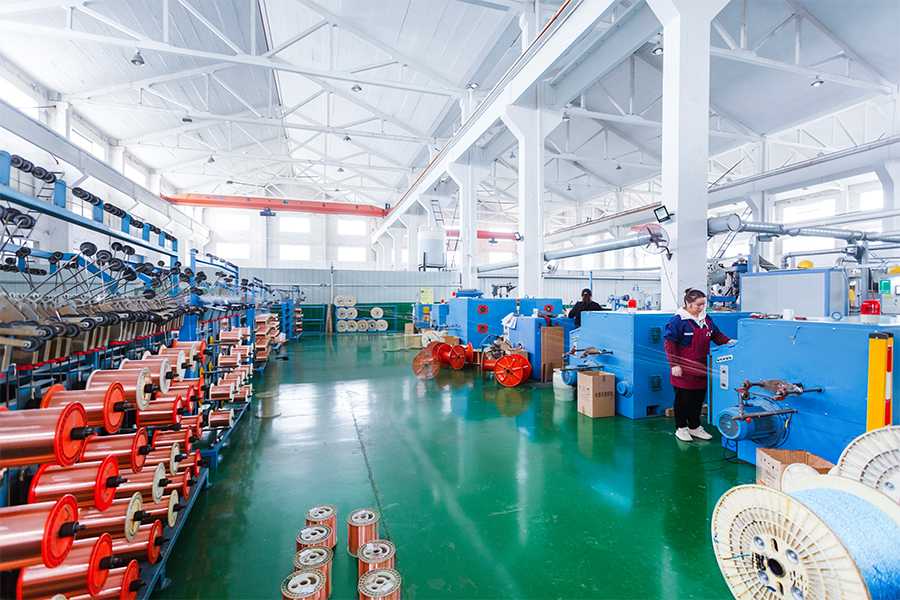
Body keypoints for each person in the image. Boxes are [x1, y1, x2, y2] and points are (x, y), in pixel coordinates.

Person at [664, 288, 734, 442]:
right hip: (684, 368)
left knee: (697, 399)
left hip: (702, 366)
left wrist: (728, 341)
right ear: (688, 303)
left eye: (703, 304)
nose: (702, 308)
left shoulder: (706, 319)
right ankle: (681, 428)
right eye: (698, 305)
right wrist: (674, 365)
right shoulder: (678, 321)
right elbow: (669, 343)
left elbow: (715, 334)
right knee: (683, 400)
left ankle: (694, 426)